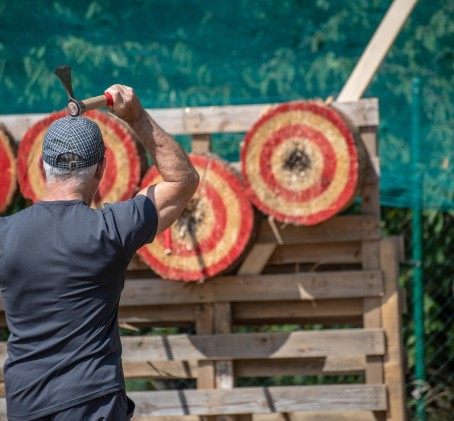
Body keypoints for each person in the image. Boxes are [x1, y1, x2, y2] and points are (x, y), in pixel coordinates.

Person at [0, 85, 199, 420]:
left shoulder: (5, 235)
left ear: (39, 166)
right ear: (101, 170)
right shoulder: (111, 229)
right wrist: (137, 117)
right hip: (93, 405)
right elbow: (183, 182)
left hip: (25, 405)